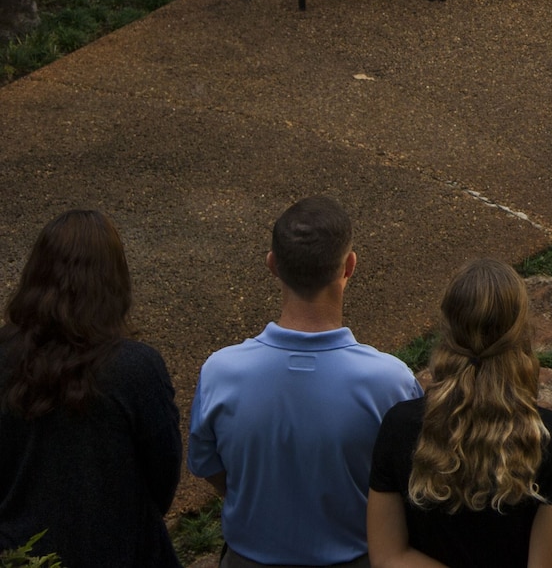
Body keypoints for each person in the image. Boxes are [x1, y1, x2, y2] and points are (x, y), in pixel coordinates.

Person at [189, 197, 422, 568]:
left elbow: (208, 465)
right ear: (350, 266)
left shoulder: (220, 371)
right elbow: (413, 483)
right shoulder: (391, 381)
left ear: (272, 265)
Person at [0, 210, 180, 567]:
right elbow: (163, 480)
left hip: (19, 556)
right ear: (114, 281)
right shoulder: (137, 368)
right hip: (122, 553)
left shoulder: (3, 355)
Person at [368, 259, 552, 568]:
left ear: (447, 328)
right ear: (521, 333)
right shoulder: (549, 437)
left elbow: (387, 556)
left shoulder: (400, 426)